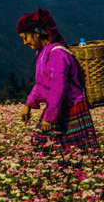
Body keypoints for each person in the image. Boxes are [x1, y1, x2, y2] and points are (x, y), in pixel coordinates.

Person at [16, 8, 98, 154]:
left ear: (36, 32)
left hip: (70, 107)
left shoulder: (58, 53)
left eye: (25, 37)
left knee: (74, 153)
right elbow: (41, 83)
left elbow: (57, 88)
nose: (24, 42)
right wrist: (28, 105)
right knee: (46, 146)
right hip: (57, 107)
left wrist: (50, 117)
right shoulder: (42, 52)